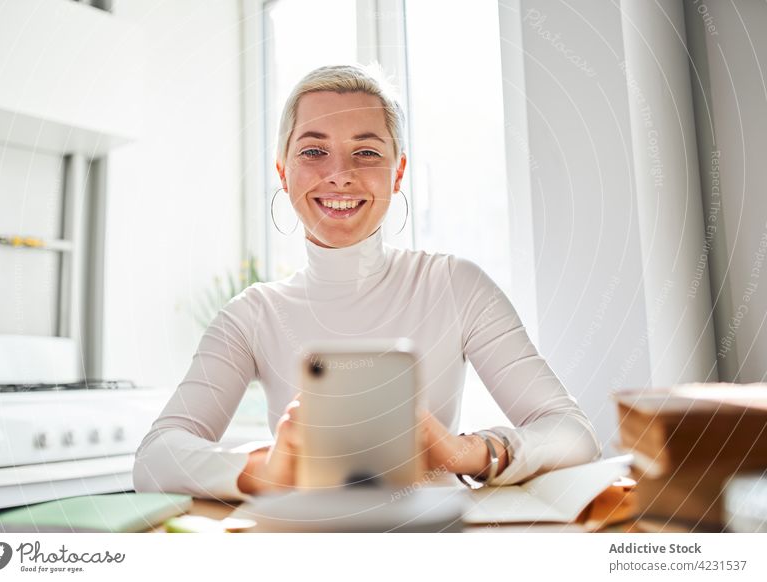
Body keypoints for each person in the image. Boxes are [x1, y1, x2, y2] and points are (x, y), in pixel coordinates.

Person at [133, 63, 602, 500]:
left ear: (398, 172)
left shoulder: (455, 285)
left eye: (367, 152)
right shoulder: (252, 315)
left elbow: (573, 433)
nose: (340, 175)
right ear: (283, 170)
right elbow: (154, 459)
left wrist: (463, 451)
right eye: (314, 151)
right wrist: (268, 469)